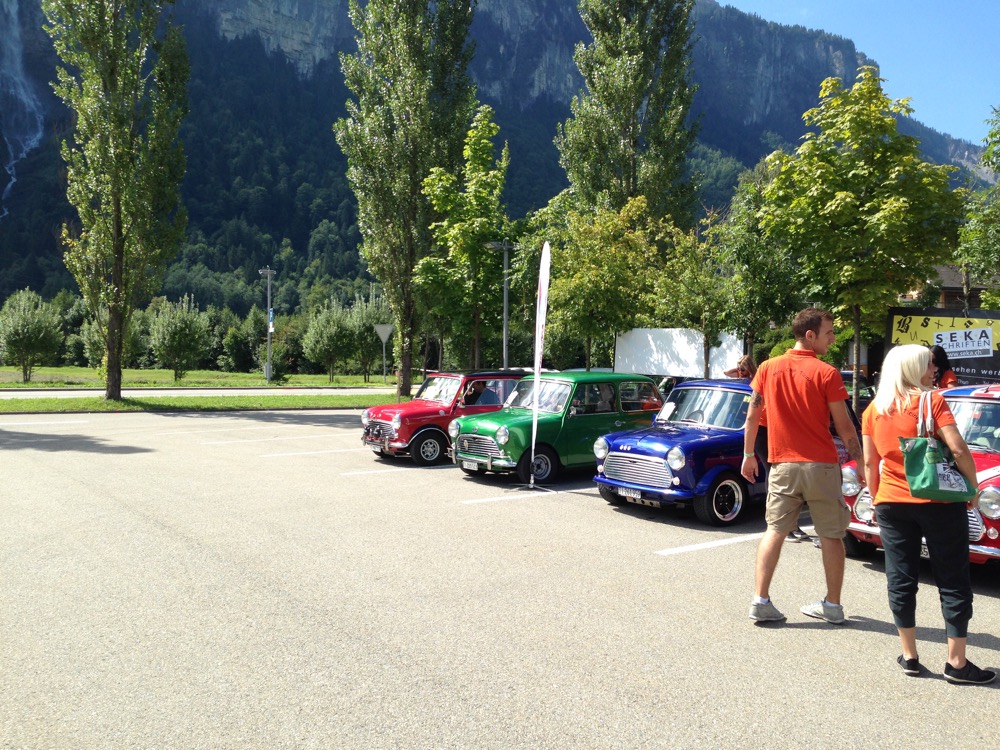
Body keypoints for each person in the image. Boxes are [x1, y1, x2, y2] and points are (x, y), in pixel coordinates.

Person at [862, 344, 994, 683]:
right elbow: (959, 449)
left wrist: (876, 499)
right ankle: (957, 662)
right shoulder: (931, 401)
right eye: (927, 364)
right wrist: (972, 489)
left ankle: (909, 656)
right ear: (911, 369)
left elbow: (870, 463)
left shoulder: (874, 408)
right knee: (952, 578)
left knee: (900, 578)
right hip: (939, 502)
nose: (934, 369)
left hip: (891, 502)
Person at [741, 308, 864, 625]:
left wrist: (748, 454)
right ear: (810, 335)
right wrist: (861, 463)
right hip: (821, 466)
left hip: (782, 463)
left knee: (774, 530)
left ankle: (760, 600)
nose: (832, 338)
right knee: (831, 535)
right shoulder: (827, 373)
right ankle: (832, 606)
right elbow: (845, 427)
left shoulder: (768, 368)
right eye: (829, 333)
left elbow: (752, 416)